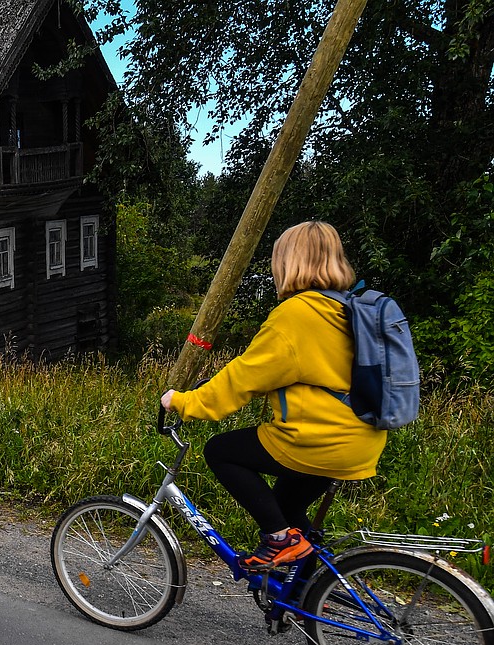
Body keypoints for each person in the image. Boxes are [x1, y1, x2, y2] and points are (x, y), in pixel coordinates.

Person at [161, 221, 387, 570]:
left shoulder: (297, 315)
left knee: (221, 451)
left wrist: (184, 401)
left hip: (319, 440)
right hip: (362, 436)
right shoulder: (348, 307)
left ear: (289, 262)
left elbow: (244, 377)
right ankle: (306, 594)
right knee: (286, 508)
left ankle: (280, 541)